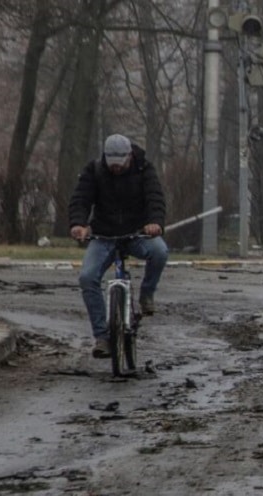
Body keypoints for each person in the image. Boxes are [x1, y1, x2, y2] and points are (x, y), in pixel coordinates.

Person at [69, 134, 168, 358]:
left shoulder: (144, 169)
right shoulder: (94, 170)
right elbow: (80, 200)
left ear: (129, 157)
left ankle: (147, 294)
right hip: (104, 235)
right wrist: (79, 225)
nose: (115, 168)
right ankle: (102, 337)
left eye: (120, 164)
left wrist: (155, 223)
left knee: (160, 252)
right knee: (87, 277)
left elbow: (155, 198)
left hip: (136, 233)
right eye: (111, 164)